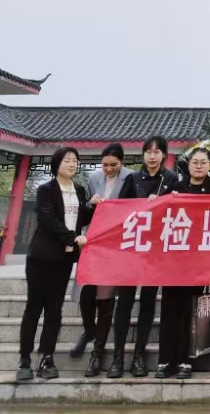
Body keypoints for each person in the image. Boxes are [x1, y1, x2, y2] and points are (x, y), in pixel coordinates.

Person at [107, 134, 181, 379]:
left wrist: (160, 203)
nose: (152, 156)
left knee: (148, 302)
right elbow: (119, 211)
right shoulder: (132, 179)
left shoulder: (171, 179)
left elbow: (179, 210)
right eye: (148, 151)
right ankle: (118, 357)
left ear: (164, 154)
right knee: (124, 303)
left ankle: (139, 356)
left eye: (157, 151)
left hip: (156, 251)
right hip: (132, 249)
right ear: (143, 154)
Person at [17, 147, 93, 382]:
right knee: (34, 308)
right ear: (56, 163)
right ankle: (25, 360)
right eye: (67, 160)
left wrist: (94, 206)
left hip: (64, 260)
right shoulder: (46, 190)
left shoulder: (79, 190)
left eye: (75, 160)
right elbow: (48, 221)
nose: (72, 164)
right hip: (41, 258)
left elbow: (82, 217)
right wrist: (73, 238)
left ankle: (47, 357)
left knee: (54, 310)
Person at [155, 147, 210, 380]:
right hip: (174, 259)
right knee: (170, 310)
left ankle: (185, 361)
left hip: (200, 260)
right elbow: (159, 214)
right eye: (195, 162)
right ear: (189, 164)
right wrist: (158, 201)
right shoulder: (176, 188)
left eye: (203, 162)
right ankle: (166, 361)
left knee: (190, 311)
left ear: (209, 165)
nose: (199, 166)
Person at [71, 143, 132, 377]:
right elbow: (85, 209)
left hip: (116, 244)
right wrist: (91, 203)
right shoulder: (94, 178)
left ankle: (97, 355)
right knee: (85, 293)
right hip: (94, 240)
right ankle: (90, 330)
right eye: (104, 164)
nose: (108, 169)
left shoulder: (130, 178)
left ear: (122, 162)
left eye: (113, 165)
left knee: (105, 299)